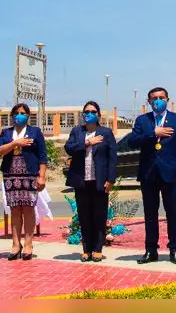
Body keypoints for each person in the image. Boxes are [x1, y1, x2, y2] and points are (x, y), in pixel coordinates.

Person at [127, 87, 176, 265]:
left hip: (172, 175)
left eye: (161, 97)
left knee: (173, 213)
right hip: (149, 174)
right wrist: (153, 133)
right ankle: (151, 250)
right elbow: (132, 141)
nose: (158, 100)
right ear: (149, 102)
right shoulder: (142, 120)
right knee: (150, 214)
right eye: (154, 98)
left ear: (167, 99)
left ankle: (175, 250)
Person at [65, 101, 118, 262]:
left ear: (98, 115)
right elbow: (69, 148)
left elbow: (112, 158)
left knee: (99, 215)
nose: (89, 114)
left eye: (92, 111)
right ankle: (86, 249)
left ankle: (98, 248)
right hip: (81, 181)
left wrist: (110, 179)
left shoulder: (106, 133)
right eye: (86, 111)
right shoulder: (77, 132)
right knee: (84, 216)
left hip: (99, 181)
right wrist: (87, 142)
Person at [0, 103, 48, 261]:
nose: (20, 115)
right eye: (17, 113)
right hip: (11, 175)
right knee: (15, 210)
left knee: (28, 209)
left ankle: (28, 244)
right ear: (12, 116)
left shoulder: (35, 132)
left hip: (29, 175)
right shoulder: (6, 133)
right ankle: (15, 244)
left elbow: (43, 156)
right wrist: (15, 143)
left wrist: (42, 176)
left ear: (28, 116)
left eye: (23, 113)